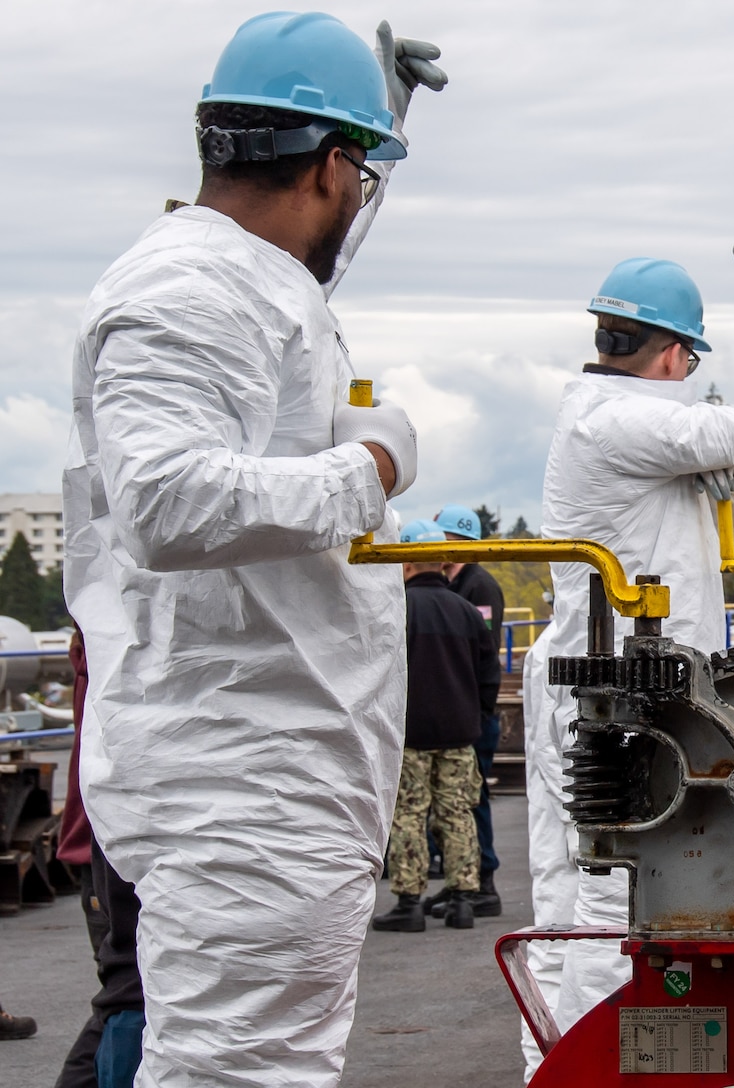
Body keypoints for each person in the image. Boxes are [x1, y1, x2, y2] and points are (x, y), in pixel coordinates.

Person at [61, 15, 445, 1086]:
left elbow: (303, 270)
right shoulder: (188, 291)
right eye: (357, 176)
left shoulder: (234, 276)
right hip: (244, 781)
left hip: (265, 770)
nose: (358, 200)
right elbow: (167, 501)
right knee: (239, 1071)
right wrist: (369, 463)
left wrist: (382, 115)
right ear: (329, 166)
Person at [519, 244, 734, 1075]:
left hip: (607, 684)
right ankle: (585, 1074)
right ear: (676, 353)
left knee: (576, 904)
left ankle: (547, 1071)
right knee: (619, 903)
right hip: (619, 697)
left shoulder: (603, 416)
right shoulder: (620, 417)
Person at [373, 520, 499, 932]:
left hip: (409, 736)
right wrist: (475, 718)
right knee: (458, 812)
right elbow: (489, 675)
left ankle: (410, 903)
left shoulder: (395, 610)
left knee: (409, 815)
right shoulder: (465, 611)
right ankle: (463, 900)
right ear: (442, 561)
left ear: (405, 561)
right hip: (460, 735)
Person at [54, 630, 145, 1088]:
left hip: (112, 843)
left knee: (130, 997)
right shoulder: (114, 654)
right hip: (113, 847)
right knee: (130, 996)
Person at [431, 503, 504, 918]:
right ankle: (464, 878)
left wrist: (477, 712)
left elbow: (483, 654)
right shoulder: (454, 585)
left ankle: (485, 880)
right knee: (452, 800)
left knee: (473, 796)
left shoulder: (480, 586)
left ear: (457, 541)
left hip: (473, 714)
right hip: (459, 710)